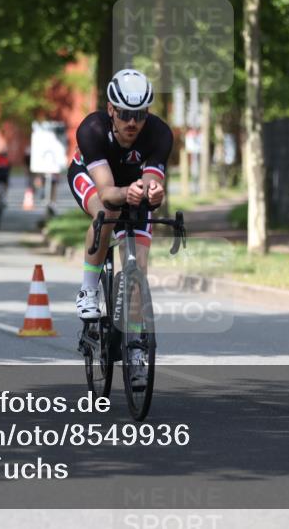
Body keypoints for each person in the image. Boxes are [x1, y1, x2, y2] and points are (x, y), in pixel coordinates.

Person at [66, 69, 172, 387]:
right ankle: (88, 289)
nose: (131, 123)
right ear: (111, 109)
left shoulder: (159, 134)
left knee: (138, 262)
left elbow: (152, 185)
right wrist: (128, 193)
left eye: (139, 115)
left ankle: (137, 348)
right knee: (107, 214)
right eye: (125, 113)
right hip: (95, 178)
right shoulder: (92, 129)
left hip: (132, 185)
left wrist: (155, 193)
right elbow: (108, 191)